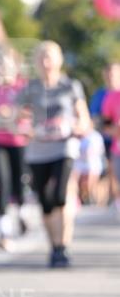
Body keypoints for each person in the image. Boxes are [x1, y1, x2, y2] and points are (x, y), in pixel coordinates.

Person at [17, 41, 90, 267]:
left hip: (63, 148)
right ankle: (54, 246)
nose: (46, 62)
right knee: (46, 201)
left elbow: (84, 119)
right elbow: (15, 117)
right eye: (41, 57)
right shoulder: (30, 88)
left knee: (60, 196)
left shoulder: (70, 86)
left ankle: (63, 246)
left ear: (59, 60)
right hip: (38, 151)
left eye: (50, 57)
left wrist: (76, 127)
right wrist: (25, 128)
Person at [0, 52, 30, 250]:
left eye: (7, 65)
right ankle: (4, 230)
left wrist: (12, 114)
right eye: (0, 65)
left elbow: (31, 110)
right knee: (2, 182)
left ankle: (21, 212)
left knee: (19, 181)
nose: (3, 69)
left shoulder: (22, 87)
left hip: (18, 141)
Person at [101, 62, 120, 215]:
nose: (111, 77)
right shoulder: (109, 98)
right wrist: (116, 129)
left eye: (114, 74)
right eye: (108, 74)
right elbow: (106, 126)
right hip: (117, 149)